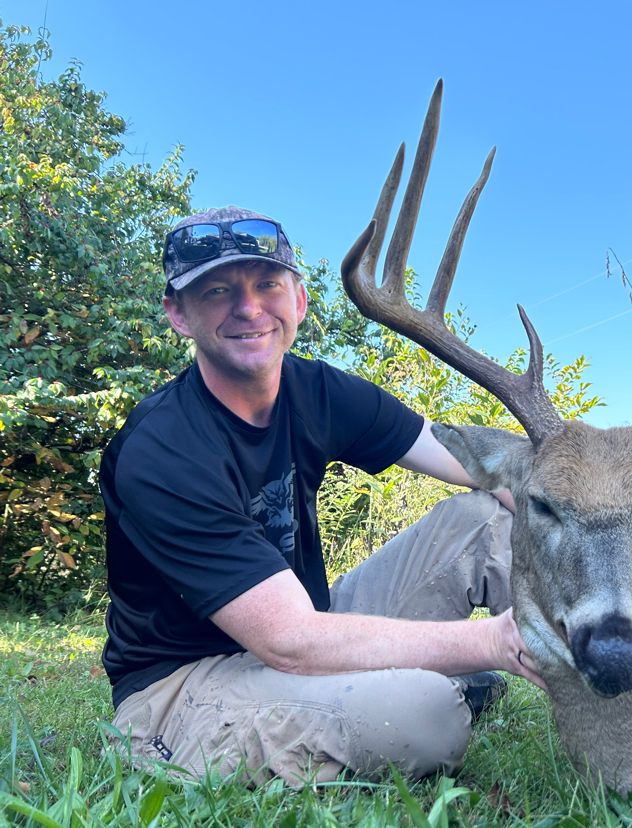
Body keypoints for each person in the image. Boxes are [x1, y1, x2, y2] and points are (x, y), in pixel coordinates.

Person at [100, 206, 543, 787]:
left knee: (490, 519)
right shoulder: (161, 448)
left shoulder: (317, 389)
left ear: (299, 301)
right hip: (182, 684)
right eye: (216, 291)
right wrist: (492, 640)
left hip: (310, 622)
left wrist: (544, 476)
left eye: (267, 284)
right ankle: (437, 684)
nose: (248, 307)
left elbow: (459, 456)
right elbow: (288, 639)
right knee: (423, 715)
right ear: (178, 314)